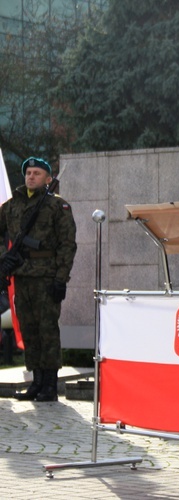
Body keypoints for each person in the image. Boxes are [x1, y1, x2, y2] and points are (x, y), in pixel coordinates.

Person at [0, 157, 77, 402]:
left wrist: (61, 279)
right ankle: (36, 382)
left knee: (47, 330)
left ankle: (50, 385)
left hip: (46, 276)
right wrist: (4, 258)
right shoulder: (11, 206)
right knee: (29, 329)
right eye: (28, 173)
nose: (31, 177)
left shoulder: (58, 206)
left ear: (47, 179)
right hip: (21, 276)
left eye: (37, 173)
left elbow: (67, 245)